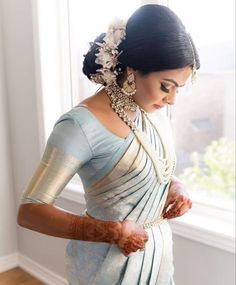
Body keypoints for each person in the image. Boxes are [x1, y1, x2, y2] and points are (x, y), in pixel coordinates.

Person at [17, 4, 200, 285]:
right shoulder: (80, 125)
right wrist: (112, 232)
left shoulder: (151, 112)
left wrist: (175, 187)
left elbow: (149, 168)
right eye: (166, 86)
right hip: (108, 266)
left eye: (179, 88)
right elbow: (30, 212)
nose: (172, 99)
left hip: (158, 254)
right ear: (132, 68)